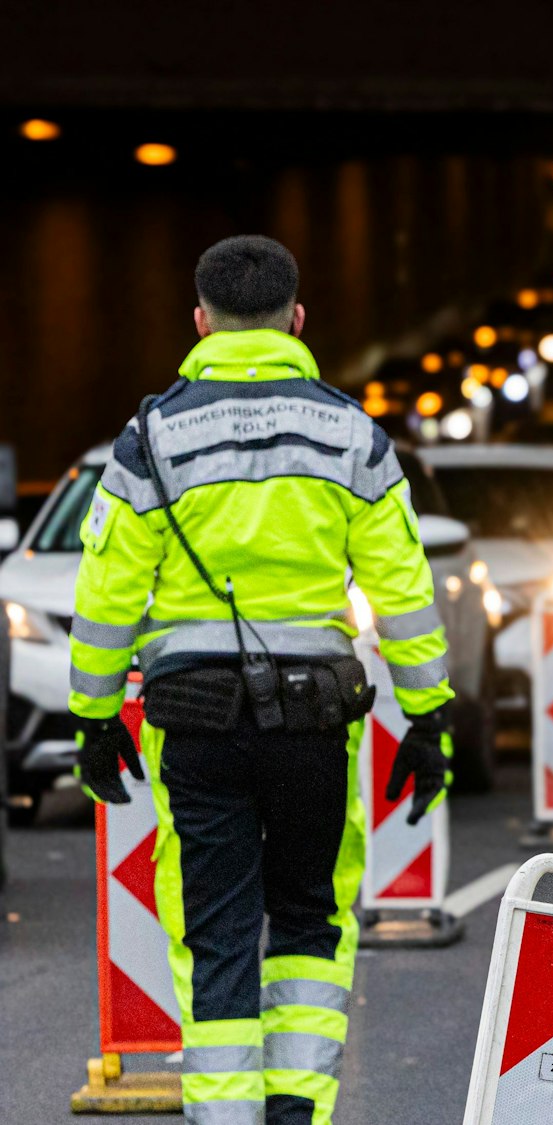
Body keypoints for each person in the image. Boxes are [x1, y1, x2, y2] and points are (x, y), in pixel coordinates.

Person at [69, 235, 454, 1125]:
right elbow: (403, 590)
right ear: (298, 319)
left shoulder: (150, 438)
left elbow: (107, 592)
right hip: (314, 719)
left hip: (196, 721)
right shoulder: (351, 432)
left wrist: (93, 715)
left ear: (200, 322)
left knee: (216, 931)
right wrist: (429, 716)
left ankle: (225, 1116)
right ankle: (296, 1113)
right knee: (310, 919)